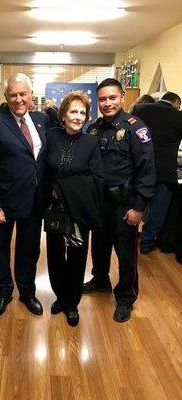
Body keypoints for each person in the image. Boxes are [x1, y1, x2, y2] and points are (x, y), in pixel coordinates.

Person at [83, 78, 155, 323]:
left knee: (125, 253)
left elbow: (147, 171)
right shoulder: (93, 128)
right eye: (102, 99)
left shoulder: (136, 128)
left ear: (123, 97)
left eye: (112, 97)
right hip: (100, 201)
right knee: (99, 245)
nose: (107, 103)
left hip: (126, 204)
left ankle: (125, 297)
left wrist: (139, 208)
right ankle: (100, 279)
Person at [0, 73, 50, 318]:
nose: (18, 99)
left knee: (29, 248)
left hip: (34, 199)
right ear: (6, 96)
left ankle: (27, 291)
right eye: (13, 95)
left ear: (31, 95)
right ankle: (4, 292)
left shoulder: (42, 120)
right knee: (0, 248)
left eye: (23, 94)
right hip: (4, 201)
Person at [45, 92, 104, 326]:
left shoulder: (91, 142)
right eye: (73, 111)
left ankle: (72, 303)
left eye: (82, 113)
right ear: (63, 114)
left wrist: (62, 187)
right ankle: (60, 296)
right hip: (55, 209)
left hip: (79, 209)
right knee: (55, 253)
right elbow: (44, 169)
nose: (78, 117)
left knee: (78, 255)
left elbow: (97, 177)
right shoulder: (51, 136)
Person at [132, 91, 182, 254]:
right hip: (165, 170)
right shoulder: (178, 117)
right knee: (158, 208)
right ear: (175, 102)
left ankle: (129, 236)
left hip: (140, 166)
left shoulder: (140, 109)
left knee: (135, 203)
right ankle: (147, 242)